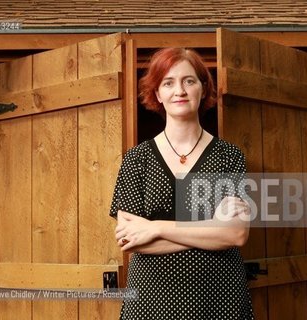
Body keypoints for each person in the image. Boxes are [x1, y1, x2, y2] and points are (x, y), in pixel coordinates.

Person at [109, 47, 254, 319]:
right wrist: (211, 229)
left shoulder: (229, 156)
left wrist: (156, 227)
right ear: (157, 94)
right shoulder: (136, 159)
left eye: (189, 81)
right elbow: (131, 240)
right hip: (152, 300)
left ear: (203, 89)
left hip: (221, 297)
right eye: (168, 83)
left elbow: (234, 234)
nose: (180, 91)